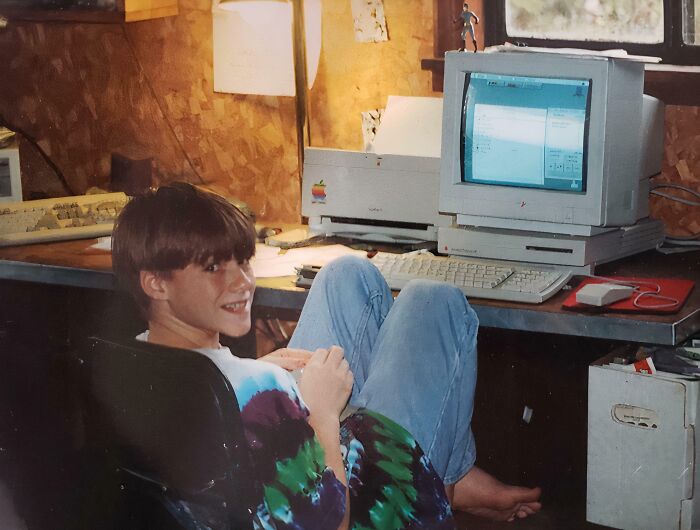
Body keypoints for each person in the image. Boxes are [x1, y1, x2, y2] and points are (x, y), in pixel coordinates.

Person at [111, 182, 541, 529]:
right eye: (213, 268)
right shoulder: (258, 388)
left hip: (272, 479)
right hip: (359, 507)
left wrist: (248, 372)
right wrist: (321, 414)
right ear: (156, 283)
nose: (242, 282)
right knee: (433, 301)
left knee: (345, 275)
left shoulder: (135, 358)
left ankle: (450, 476)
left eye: (243, 261)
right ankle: (442, 486)